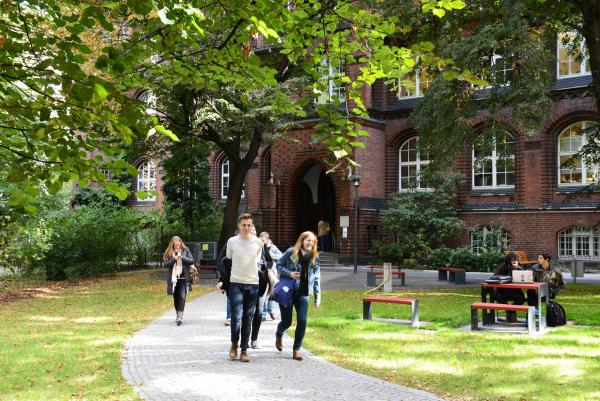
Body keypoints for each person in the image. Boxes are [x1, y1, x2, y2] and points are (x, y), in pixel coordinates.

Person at [217, 214, 263, 363]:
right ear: (239, 226)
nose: (246, 228)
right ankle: (234, 344)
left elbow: (258, 262)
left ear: (252, 226)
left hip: (253, 284)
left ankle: (244, 350)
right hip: (235, 283)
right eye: (243, 225)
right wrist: (223, 281)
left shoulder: (258, 242)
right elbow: (227, 263)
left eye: (249, 225)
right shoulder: (232, 242)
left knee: (248, 318)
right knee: (236, 317)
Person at [275, 231, 321, 361]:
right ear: (302, 240)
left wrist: (318, 297)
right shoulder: (291, 252)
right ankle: (279, 334)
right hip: (288, 291)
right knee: (287, 321)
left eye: (313, 241)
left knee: (302, 320)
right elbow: (278, 265)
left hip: (303, 293)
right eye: (308, 240)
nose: (311, 243)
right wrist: (289, 273)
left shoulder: (314, 257)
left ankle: (296, 349)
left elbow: (317, 277)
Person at [164, 236, 195, 326]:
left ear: (181, 243)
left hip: (183, 278)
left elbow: (191, 260)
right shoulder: (169, 252)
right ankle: (178, 313)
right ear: (172, 245)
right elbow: (165, 264)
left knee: (182, 297)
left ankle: (179, 316)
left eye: (178, 244)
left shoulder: (185, 250)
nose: (177, 246)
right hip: (173, 279)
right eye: (175, 245)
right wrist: (174, 259)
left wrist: (182, 258)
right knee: (176, 298)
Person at [249, 227, 272, 349]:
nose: (252, 234)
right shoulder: (238, 245)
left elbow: (270, 261)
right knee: (246, 313)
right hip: (246, 284)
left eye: (253, 232)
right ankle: (242, 340)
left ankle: (254, 339)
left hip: (261, 283)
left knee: (258, 312)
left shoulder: (262, 246)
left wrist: (263, 266)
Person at [494, 252, 525, 322]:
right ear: (508, 260)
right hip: (503, 290)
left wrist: (517, 268)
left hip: (515, 290)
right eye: (513, 260)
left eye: (516, 260)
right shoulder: (502, 267)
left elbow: (524, 277)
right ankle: (511, 315)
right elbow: (494, 277)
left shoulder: (519, 267)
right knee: (499, 298)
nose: (515, 262)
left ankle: (510, 312)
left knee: (521, 299)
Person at [260, 231, 283, 321]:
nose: (262, 241)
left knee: (271, 292)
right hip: (262, 273)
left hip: (271, 272)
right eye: (260, 239)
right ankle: (264, 313)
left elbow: (281, 255)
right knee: (264, 293)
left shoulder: (272, 247)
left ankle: (271, 310)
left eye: (263, 239)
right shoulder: (258, 246)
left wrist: (271, 255)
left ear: (267, 239)